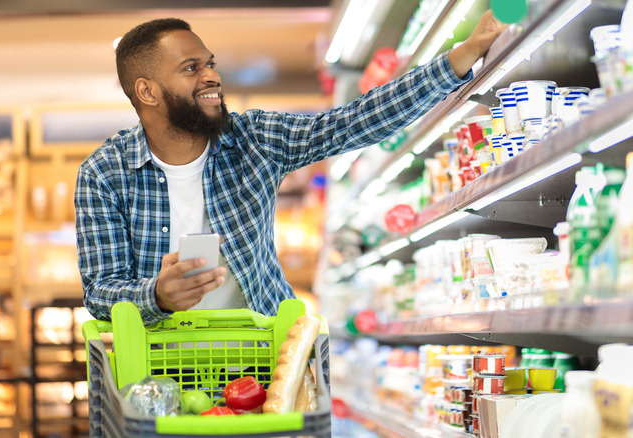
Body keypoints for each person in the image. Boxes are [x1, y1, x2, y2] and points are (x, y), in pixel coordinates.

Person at [75, 12, 505, 325]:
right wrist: (157, 295)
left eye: (210, 64)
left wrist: (457, 60)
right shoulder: (104, 175)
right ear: (146, 91)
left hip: (262, 356)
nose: (211, 77)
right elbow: (100, 291)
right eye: (191, 68)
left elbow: (350, 123)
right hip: (162, 367)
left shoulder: (253, 139)